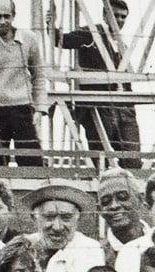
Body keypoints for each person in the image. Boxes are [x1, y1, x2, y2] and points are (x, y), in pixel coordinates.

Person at [55, 0, 142, 170]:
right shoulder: (91, 33)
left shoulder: (121, 44)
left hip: (124, 107)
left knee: (132, 160)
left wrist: (130, 105)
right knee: (100, 159)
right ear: (104, 15)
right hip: (99, 105)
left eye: (123, 16)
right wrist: (52, 25)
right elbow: (62, 41)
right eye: (115, 15)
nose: (119, 20)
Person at [0, 0, 48, 161]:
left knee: (32, 164)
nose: (2, 21)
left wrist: (39, 109)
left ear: (14, 16)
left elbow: (38, 76)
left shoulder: (29, 39)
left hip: (23, 110)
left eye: (6, 16)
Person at [27, 184, 104, 272]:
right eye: (49, 217)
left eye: (66, 217)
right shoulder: (25, 245)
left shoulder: (89, 248)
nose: (57, 227)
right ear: (34, 218)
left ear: (77, 218)